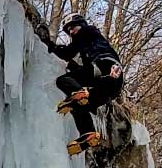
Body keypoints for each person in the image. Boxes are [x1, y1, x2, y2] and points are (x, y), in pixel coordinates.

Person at [51, 15, 122, 154]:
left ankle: (79, 92)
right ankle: (88, 133)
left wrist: (51, 46)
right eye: (68, 30)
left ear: (81, 24)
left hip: (105, 65)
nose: (71, 32)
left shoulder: (87, 31)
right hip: (112, 86)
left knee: (63, 81)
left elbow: (68, 52)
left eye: (73, 27)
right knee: (78, 105)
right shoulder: (90, 41)